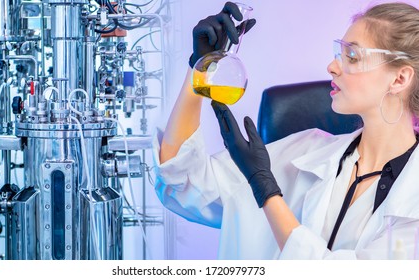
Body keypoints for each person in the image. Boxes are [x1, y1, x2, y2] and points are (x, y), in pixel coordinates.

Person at [153, 2, 419, 259]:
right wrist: (199, 67)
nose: (332, 66)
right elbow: (183, 183)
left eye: (352, 56)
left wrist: (266, 189)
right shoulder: (305, 151)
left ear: (399, 78)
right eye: (339, 54)